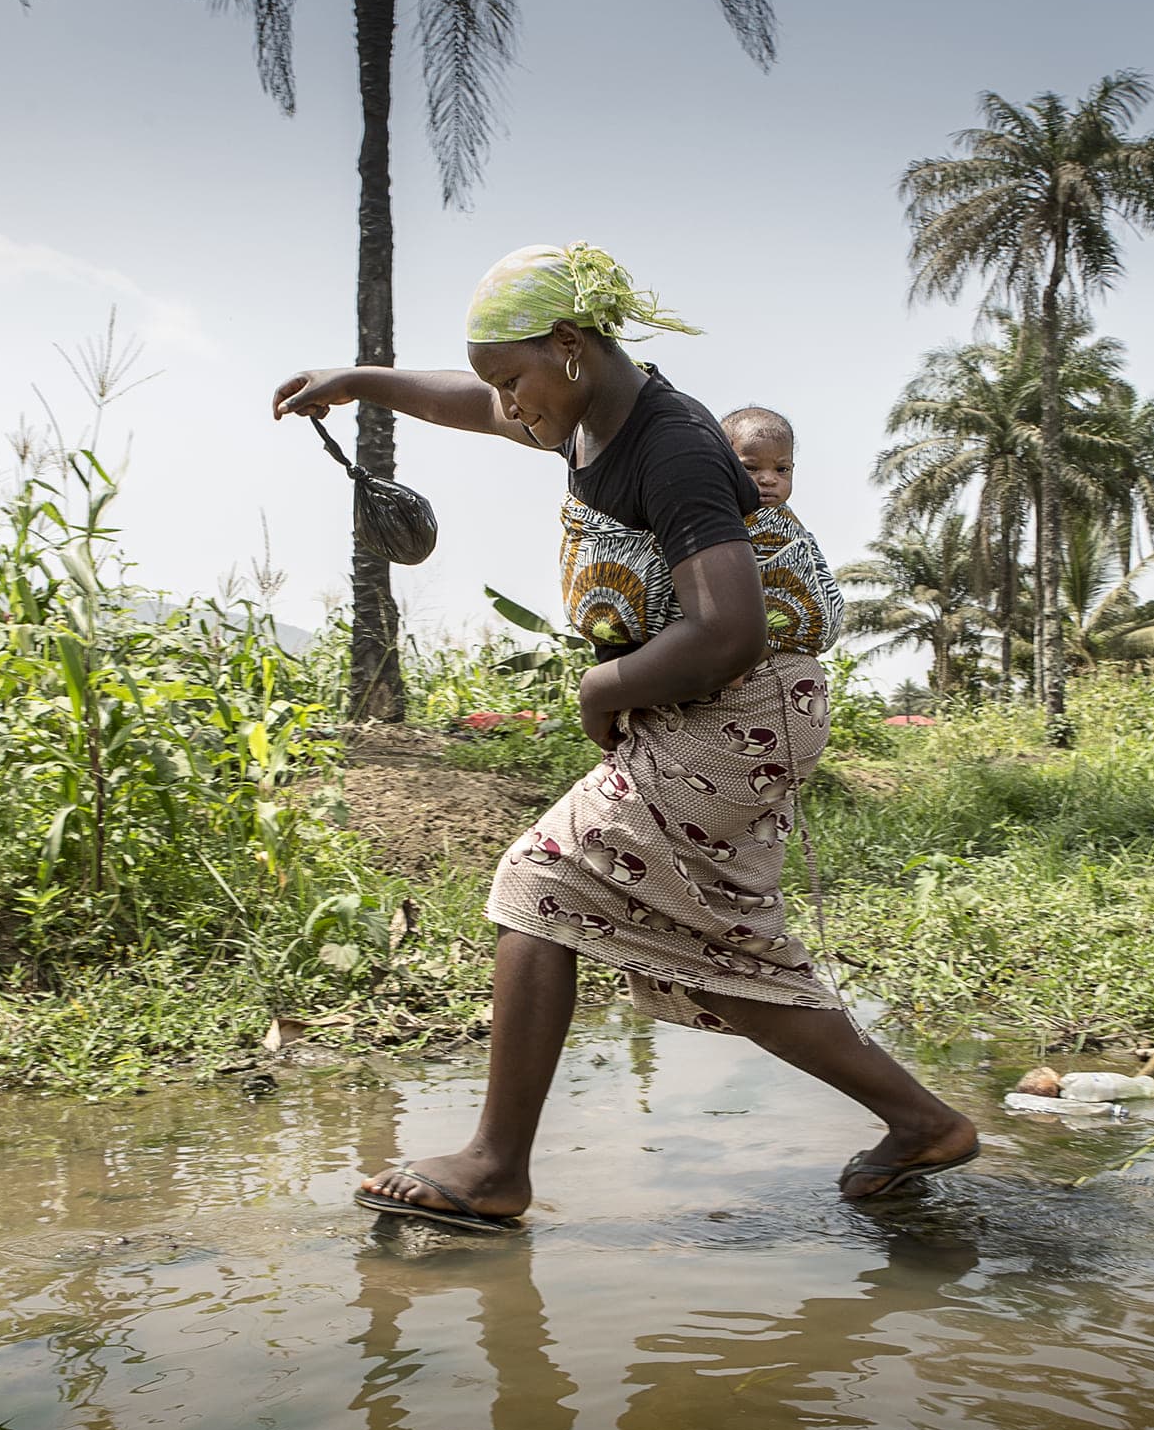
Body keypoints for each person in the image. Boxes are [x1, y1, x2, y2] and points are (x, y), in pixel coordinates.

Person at [272, 242, 976, 1232]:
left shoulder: (674, 446)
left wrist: (606, 684)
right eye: (498, 387)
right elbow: (464, 401)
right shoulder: (585, 418)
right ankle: (921, 1122)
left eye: (514, 380)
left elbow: (728, 628)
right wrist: (361, 383)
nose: (507, 406)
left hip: (739, 710)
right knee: (712, 942)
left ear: (568, 347)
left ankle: (493, 1167)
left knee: (540, 880)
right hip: (732, 710)